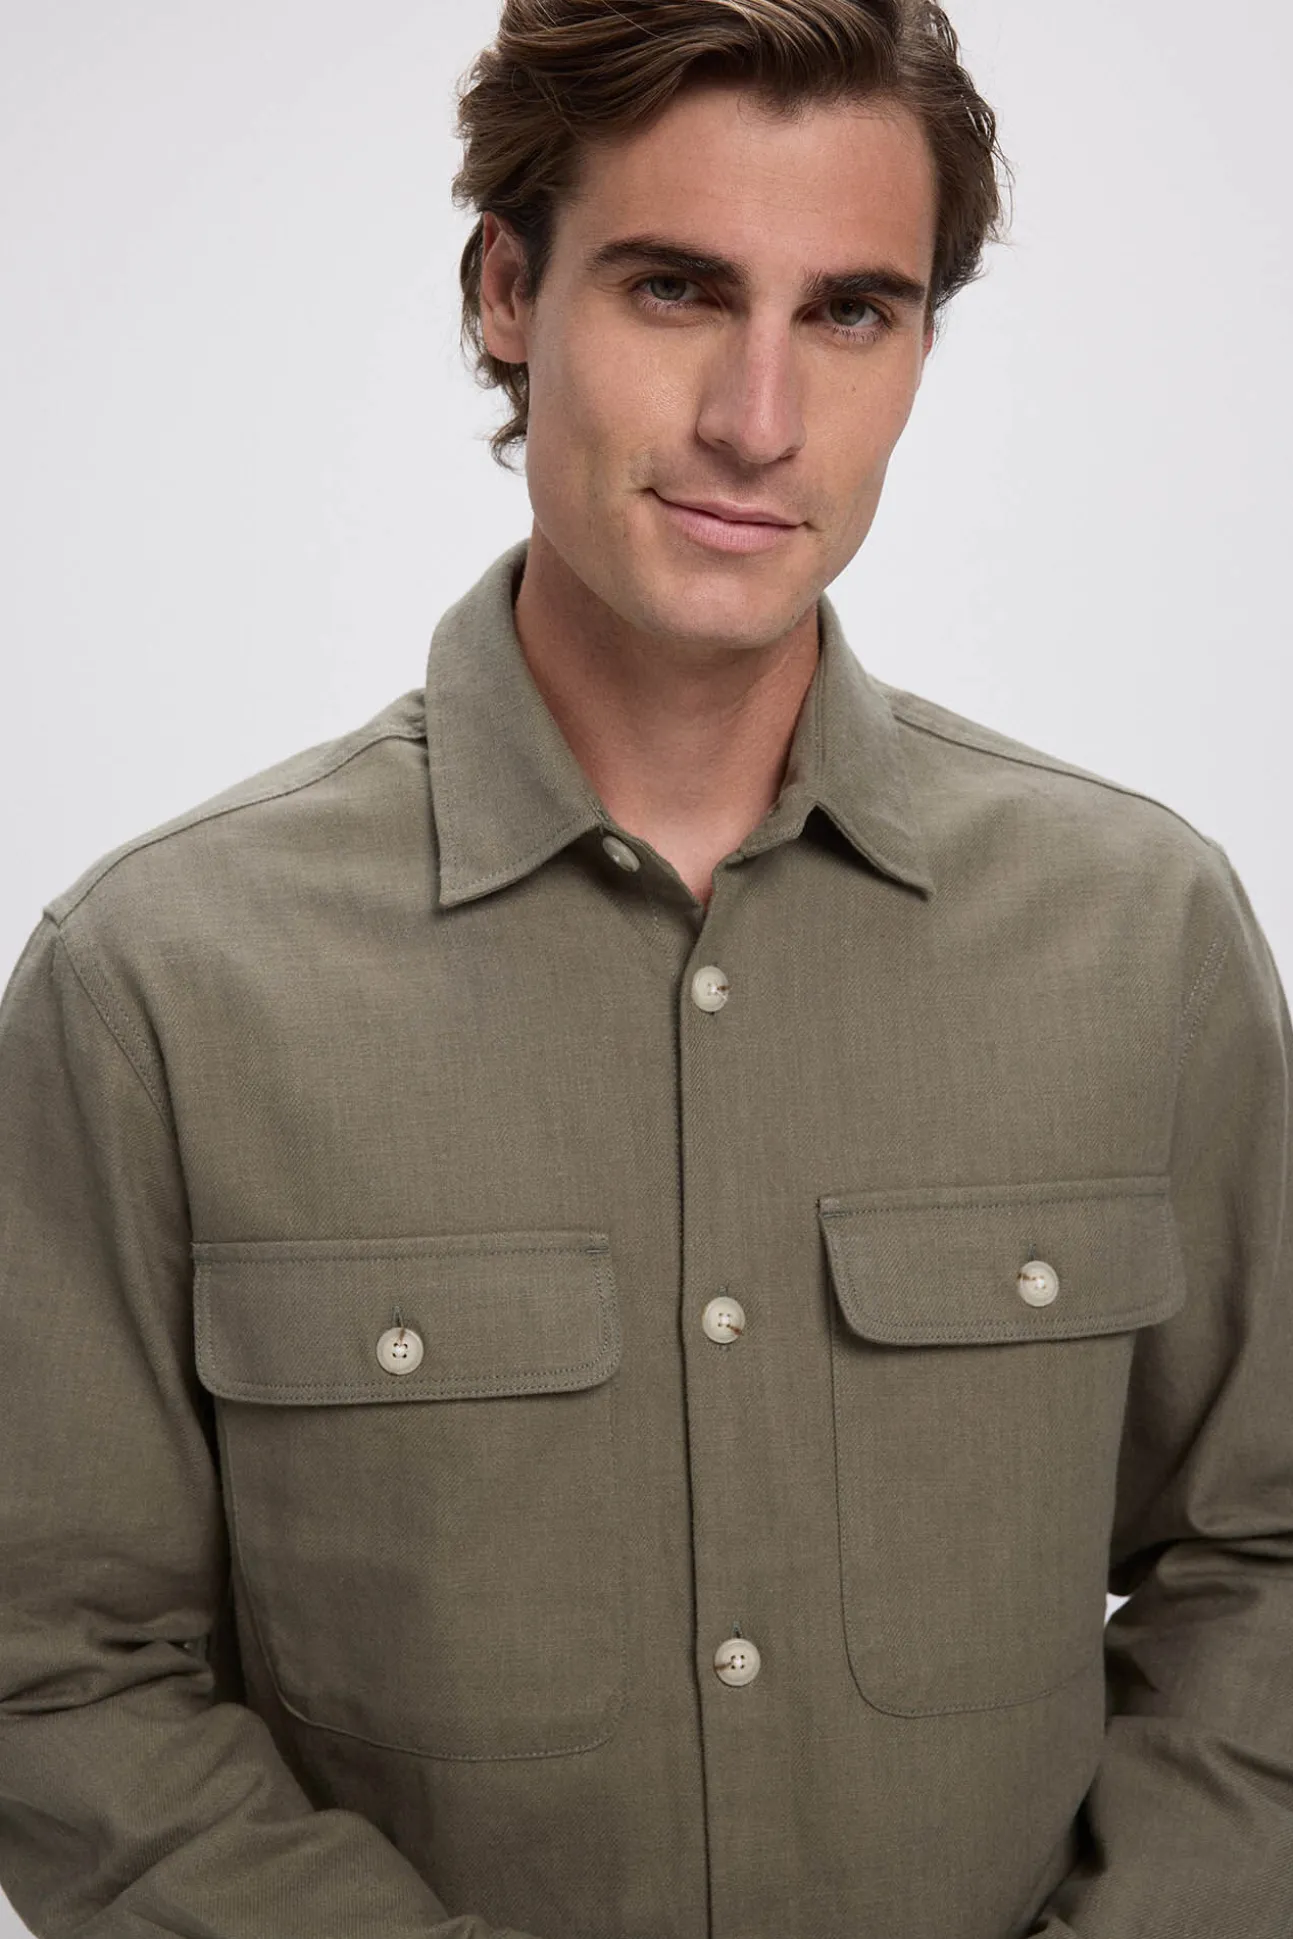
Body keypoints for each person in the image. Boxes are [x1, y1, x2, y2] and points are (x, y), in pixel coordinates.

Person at [1, 1, 1290, 1935]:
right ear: (507, 289)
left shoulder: (1147, 936)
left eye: (850, 311)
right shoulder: (157, 989)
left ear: (922, 352)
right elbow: (51, 1663)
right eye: (678, 287)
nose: (757, 419)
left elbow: (1266, 1556)